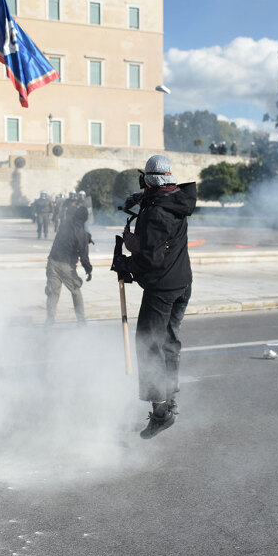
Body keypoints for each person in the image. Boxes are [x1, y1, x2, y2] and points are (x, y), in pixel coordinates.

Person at [112, 154, 197, 439]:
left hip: (163, 288)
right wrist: (139, 199)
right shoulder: (176, 200)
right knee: (169, 341)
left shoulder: (156, 213)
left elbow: (151, 260)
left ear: (149, 179)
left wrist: (127, 264)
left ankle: (160, 412)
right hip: (183, 282)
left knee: (148, 345)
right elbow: (159, 200)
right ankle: (170, 397)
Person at [45, 205, 92, 326]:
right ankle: (81, 322)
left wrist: (87, 237)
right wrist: (89, 270)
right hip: (65, 266)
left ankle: (49, 322)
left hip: (52, 262)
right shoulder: (81, 234)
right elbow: (84, 257)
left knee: (53, 293)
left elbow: (68, 235)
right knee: (76, 291)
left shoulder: (65, 223)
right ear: (85, 219)